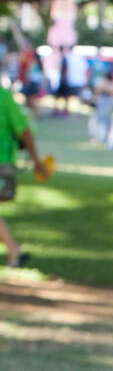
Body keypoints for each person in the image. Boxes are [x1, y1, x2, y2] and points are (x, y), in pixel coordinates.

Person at [0, 83, 49, 267]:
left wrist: (37, 161)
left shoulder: (4, 98)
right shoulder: (4, 97)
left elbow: (24, 131)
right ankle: (13, 249)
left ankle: (13, 249)